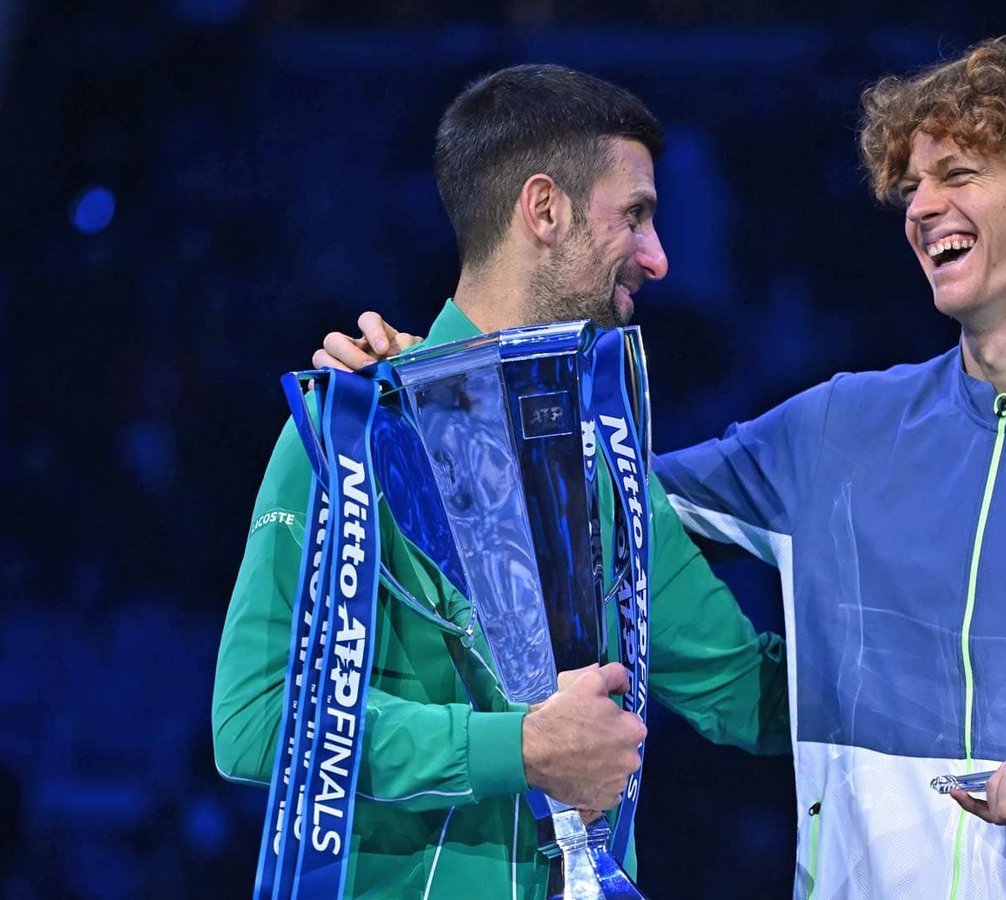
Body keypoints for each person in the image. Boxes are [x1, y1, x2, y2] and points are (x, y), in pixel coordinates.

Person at [324, 35, 1006, 899]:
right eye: (908, 186)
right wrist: (419, 395)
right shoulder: (835, 429)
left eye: (956, 173)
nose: (921, 207)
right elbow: (591, 500)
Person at [213, 64, 789, 900]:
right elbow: (257, 721)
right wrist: (518, 750)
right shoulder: (357, 429)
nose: (658, 259)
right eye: (634, 217)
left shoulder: (609, 461)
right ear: (544, 209)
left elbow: (745, 695)